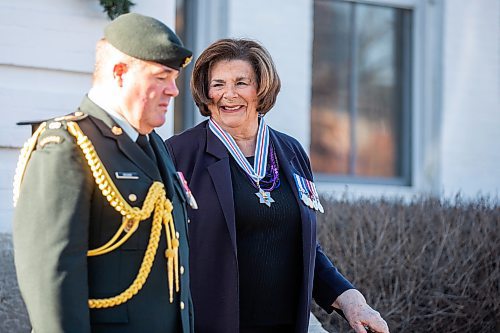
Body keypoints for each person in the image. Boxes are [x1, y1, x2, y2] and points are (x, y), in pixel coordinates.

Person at [166, 38, 390, 333]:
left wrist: (350, 301)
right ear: (206, 92)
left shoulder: (291, 151)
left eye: (241, 83)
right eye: (218, 84)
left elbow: (301, 245)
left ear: (261, 88)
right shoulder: (178, 154)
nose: (228, 95)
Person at [13, 13, 195, 333]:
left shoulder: (155, 145)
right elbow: (53, 279)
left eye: (174, 79)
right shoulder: (67, 146)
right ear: (120, 73)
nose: (174, 91)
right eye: (161, 77)